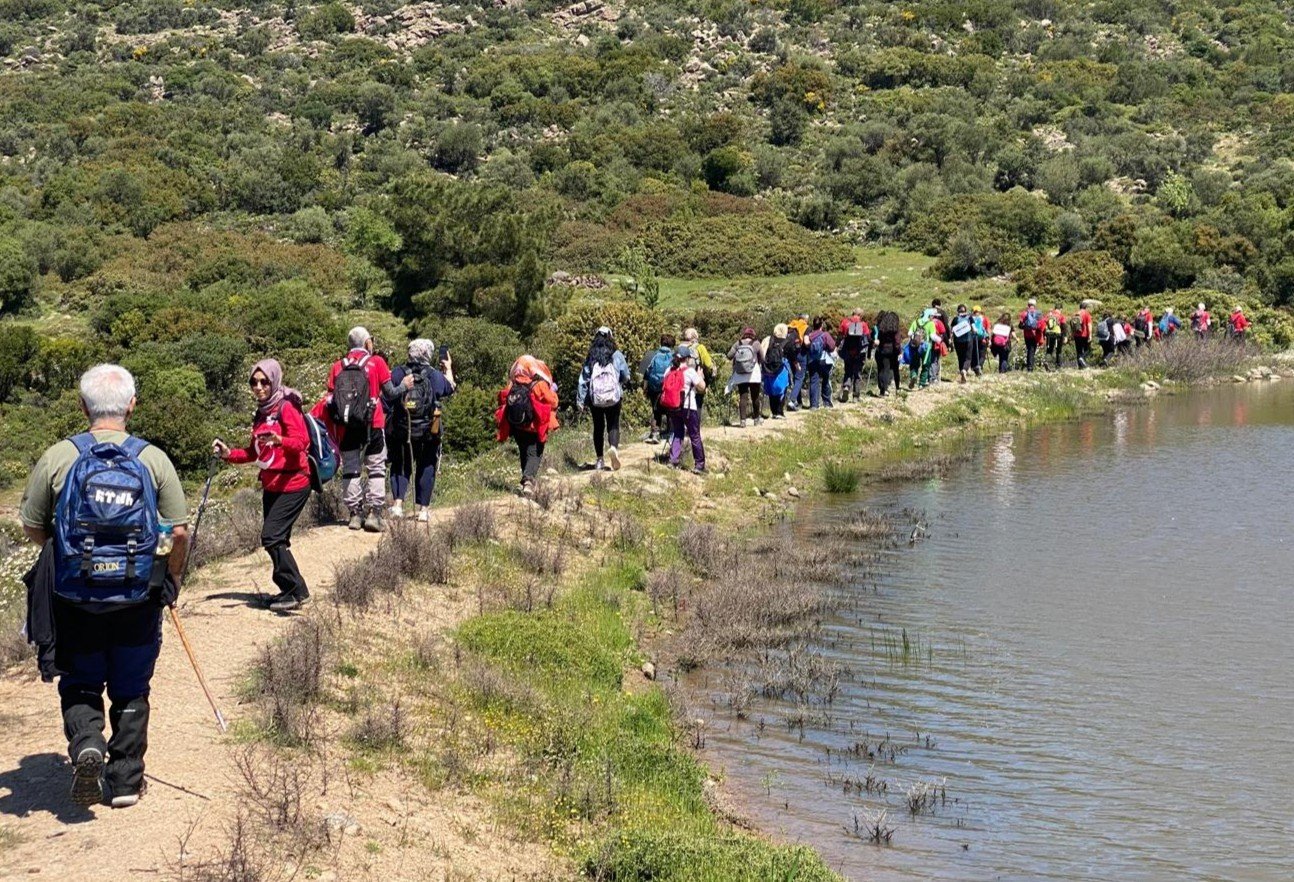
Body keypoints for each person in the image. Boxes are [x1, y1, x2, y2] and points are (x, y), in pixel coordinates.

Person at [20, 364, 189, 808]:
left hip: (74, 596)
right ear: (132, 405)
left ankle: (87, 745)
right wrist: (171, 576)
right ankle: (127, 781)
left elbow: (33, 525)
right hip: (137, 595)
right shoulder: (152, 459)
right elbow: (180, 531)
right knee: (132, 686)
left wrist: (68, 552)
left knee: (80, 681)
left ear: (83, 407)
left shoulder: (59, 457)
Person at [213, 360, 313, 611]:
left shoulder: (287, 407)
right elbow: (253, 452)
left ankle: (294, 590)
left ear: (274, 381)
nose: (258, 387)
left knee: (272, 537)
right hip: (272, 485)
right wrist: (228, 454)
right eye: (253, 382)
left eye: (264, 382)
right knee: (277, 539)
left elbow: (301, 442)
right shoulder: (261, 413)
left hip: (294, 481)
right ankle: (293, 590)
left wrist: (281, 440)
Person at [322, 327, 402, 533]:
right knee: (376, 468)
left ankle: (354, 514)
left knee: (351, 468)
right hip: (372, 423)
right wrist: (406, 386)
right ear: (367, 343)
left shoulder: (337, 366)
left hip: (347, 425)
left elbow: (330, 399)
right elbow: (391, 393)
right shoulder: (377, 363)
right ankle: (375, 514)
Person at [386, 339, 456, 521]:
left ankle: (397, 506)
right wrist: (448, 369)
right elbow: (449, 389)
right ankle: (423, 510)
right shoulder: (434, 375)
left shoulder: (397, 372)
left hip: (403, 429)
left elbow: (387, 395)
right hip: (428, 431)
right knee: (426, 466)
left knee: (400, 466)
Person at [496, 355, 559, 496]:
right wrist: (554, 392)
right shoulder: (538, 385)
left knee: (524, 451)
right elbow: (553, 402)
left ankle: (526, 481)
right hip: (533, 426)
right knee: (535, 452)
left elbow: (502, 398)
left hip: (517, 426)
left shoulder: (512, 384)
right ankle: (528, 481)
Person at [576, 327, 630, 471]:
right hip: (614, 397)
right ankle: (613, 448)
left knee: (598, 427)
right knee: (613, 425)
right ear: (610, 337)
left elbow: (583, 380)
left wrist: (580, 400)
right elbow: (626, 375)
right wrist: (619, 383)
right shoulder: (617, 354)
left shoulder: (591, 356)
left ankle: (600, 460)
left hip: (596, 399)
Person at [664, 345, 706, 473]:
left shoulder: (668, 370)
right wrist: (700, 376)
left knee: (677, 432)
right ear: (687, 358)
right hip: (689, 407)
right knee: (694, 435)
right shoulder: (690, 371)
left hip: (673, 407)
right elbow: (702, 387)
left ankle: (673, 460)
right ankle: (699, 465)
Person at [640, 334, 675, 444]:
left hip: (654, 387)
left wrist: (645, 388)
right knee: (671, 410)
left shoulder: (651, 354)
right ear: (672, 344)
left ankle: (655, 433)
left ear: (660, 343)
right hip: (669, 388)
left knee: (656, 411)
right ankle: (670, 433)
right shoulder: (675, 356)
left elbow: (645, 373)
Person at [726, 326, 764, 426]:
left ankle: (743, 421)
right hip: (753, 373)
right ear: (753, 335)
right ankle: (756, 419)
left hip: (740, 372)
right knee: (755, 396)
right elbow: (762, 358)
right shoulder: (756, 343)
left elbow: (729, 356)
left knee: (743, 396)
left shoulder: (738, 343)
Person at [837, 310, 871, 401]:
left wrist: (837, 347)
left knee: (848, 371)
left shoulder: (845, 322)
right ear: (860, 315)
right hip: (859, 353)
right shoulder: (863, 324)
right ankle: (856, 396)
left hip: (847, 351)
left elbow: (840, 336)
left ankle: (846, 387)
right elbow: (868, 338)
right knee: (857, 374)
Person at [760, 323, 792, 419]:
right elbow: (792, 354)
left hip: (767, 370)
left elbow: (762, 352)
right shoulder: (787, 341)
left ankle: (773, 411)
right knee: (782, 390)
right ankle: (779, 412)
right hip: (781, 370)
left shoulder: (768, 339)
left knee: (771, 391)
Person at [681, 328, 716, 414]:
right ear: (696, 336)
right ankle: (695, 426)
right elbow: (708, 364)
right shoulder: (700, 347)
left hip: (681, 379)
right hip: (697, 379)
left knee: (682, 404)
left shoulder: (680, 347)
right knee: (697, 404)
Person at [805, 317, 837, 408]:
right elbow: (832, 347)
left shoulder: (810, 335)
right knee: (826, 380)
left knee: (814, 381)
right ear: (821, 325)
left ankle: (814, 405)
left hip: (812, 360)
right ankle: (827, 403)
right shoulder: (825, 334)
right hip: (824, 360)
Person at [873, 310, 902, 396]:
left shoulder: (882, 329)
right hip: (893, 351)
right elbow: (897, 342)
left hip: (882, 350)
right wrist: (899, 352)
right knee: (895, 369)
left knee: (883, 369)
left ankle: (883, 389)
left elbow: (879, 339)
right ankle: (897, 388)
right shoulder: (895, 330)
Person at [787, 313, 810, 410]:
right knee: (800, 377)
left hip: (791, 354)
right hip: (801, 354)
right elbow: (806, 342)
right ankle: (792, 400)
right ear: (805, 319)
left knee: (795, 377)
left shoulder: (791, 325)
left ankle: (798, 401)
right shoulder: (806, 327)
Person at [950, 304, 977, 382]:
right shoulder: (969, 317)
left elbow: (952, 331)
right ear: (965, 310)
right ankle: (964, 370)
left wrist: (950, 341)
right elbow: (974, 329)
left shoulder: (955, 319)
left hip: (957, 341)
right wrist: (975, 332)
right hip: (968, 340)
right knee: (968, 357)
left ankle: (962, 371)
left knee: (960, 357)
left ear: (958, 311)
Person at [1018, 298, 1045, 371]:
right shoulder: (1038, 313)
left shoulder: (1024, 313)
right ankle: (1030, 368)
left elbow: (1020, 325)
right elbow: (1042, 324)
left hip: (1026, 335)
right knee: (1032, 350)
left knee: (1029, 350)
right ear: (1035, 305)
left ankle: (1029, 367)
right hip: (1035, 335)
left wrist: (1026, 327)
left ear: (1028, 304)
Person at [1044, 303, 1067, 369]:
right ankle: (1058, 366)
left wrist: (1044, 334)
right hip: (1058, 335)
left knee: (1049, 349)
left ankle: (1047, 361)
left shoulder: (1049, 315)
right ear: (1061, 309)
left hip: (1049, 334)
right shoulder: (1061, 315)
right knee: (1059, 350)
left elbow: (1044, 323)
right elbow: (1064, 326)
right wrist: (1065, 336)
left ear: (1055, 308)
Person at [1072, 303, 1093, 367]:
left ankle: (1080, 366)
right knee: (1088, 350)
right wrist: (1090, 335)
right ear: (1085, 307)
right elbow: (1089, 325)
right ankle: (1082, 359)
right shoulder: (1087, 313)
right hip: (1084, 335)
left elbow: (1072, 325)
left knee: (1079, 351)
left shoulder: (1076, 314)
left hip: (1076, 335)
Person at [970, 305, 989, 376]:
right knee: (982, 355)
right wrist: (988, 338)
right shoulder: (984, 318)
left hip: (973, 339)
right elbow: (987, 329)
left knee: (974, 354)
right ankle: (979, 366)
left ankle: (975, 368)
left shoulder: (970, 318)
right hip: (982, 338)